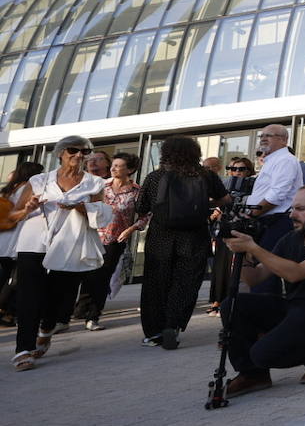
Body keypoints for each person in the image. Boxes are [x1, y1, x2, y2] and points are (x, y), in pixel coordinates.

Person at [221, 185, 305, 397]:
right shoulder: (291, 239)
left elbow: (296, 273)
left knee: (262, 354)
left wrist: (254, 248)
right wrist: (239, 252)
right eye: (292, 208)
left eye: (301, 209)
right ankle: (253, 375)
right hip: (294, 307)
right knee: (232, 304)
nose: (293, 214)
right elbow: (255, 277)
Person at [11, 136, 112, 371]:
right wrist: (28, 208)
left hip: (70, 243)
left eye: (84, 151)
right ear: (60, 153)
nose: (78, 155)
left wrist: (78, 206)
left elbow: (102, 214)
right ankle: (23, 350)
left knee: (60, 296)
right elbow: (15, 214)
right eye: (73, 150)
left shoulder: (94, 183)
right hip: (34, 241)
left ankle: (46, 328)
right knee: (29, 296)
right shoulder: (39, 180)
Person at [136, 135, 230, 349]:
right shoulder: (205, 175)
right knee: (186, 283)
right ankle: (173, 325)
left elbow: (141, 207)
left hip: (161, 237)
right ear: (195, 153)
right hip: (194, 236)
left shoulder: (155, 177)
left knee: (155, 284)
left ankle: (154, 332)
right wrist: (203, 202)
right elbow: (225, 200)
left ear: (165, 153)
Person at [72, 152, 147, 331]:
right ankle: (78, 310)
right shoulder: (101, 186)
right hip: (91, 236)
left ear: (129, 170)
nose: (112, 168)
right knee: (86, 275)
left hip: (115, 240)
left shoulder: (137, 191)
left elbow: (145, 216)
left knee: (102, 279)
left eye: (118, 166)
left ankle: (93, 316)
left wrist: (131, 229)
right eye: (112, 165)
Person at [243, 124, 303, 295]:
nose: (263, 138)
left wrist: (251, 214)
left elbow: (277, 194)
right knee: (263, 270)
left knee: (267, 272)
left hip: (277, 222)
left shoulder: (285, 160)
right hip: (266, 220)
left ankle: (266, 315)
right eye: (262, 135)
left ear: (284, 140)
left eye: (269, 135)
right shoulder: (272, 160)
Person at [208, 156, 256, 316]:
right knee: (221, 264)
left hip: (244, 226)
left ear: (249, 171)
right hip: (226, 224)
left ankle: (233, 299)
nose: (236, 172)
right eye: (232, 169)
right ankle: (217, 299)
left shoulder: (253, 184)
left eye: (241, 169)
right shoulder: (224, 184)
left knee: (238, 265)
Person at [0, 163, 44, 330]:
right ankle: (6, 310)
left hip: (4, 238)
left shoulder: (8, 190)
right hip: (17, 238)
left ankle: (7, 310)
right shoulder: (27, 188)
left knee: (5, 275)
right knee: (16, 279)